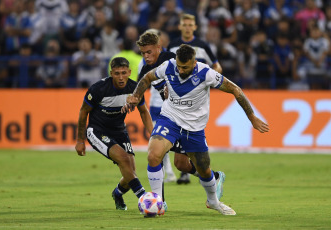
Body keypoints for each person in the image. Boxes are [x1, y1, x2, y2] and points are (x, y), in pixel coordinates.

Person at [124, 44, 269, 215]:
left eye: (184, 67)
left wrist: (251, 117)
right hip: (170, 119)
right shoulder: (169, 66)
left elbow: (235, 90)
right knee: (153, 154)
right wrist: (136, 95)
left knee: (203, 168)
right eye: (179, 66)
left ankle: (213, 201)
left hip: (194, 127)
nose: (180, 70)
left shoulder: (206, 73)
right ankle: (158, 202)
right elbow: (147, 77)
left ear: (194, 63)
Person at [75, 57, 153, 211]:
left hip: (119, 130)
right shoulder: (98, 89)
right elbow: (83, 111)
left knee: (131, 170)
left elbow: (144, 112)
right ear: (111, 73)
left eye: (124, 73)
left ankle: (117, 193)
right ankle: (144, 198)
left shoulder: (135, 88)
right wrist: (80, 140)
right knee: (124, 159)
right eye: (117, 73)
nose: (121, 77)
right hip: (97, 131)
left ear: (129, 72)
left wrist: (154, 135)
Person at [168, 13, 222, 184]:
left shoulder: (202, 46)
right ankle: (202, 173)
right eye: (185, 24)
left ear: (195, 27)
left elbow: (216, 66)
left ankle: (202, 173)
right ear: (180, 26)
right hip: (176, 99)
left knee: (190, 135)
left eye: (191, 24)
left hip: (196, 101)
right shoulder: (172, 46)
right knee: (179, 140)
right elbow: (167, 69)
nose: (188, 27)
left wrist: (212, 81)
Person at [136, 30, 177, 183]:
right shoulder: (145, 63)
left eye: (148, 51)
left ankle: (205, 174)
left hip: (177, 109)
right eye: (143, 52)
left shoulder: (172, 58)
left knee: (181, 151)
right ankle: (168, 172)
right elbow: (139, 85)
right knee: (158, 141)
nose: (146, 55)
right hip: (156, 105)